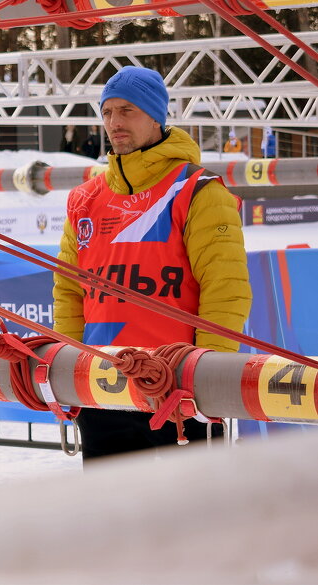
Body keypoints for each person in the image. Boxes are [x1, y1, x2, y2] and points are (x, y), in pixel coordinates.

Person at [52, 66, 251, 463]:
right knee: (114, 517)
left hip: (178, 389)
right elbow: (69, 291)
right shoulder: (84, 199)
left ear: (156, 116)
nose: (114, 122)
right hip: (102, 385)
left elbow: (225, 290)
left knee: (188, 518)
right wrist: (68, 365)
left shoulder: (198, 190)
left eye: (127, 110)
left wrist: (206, 375)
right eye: (107, 112)